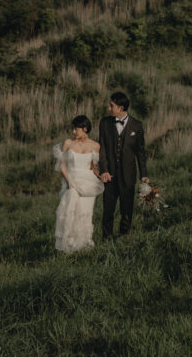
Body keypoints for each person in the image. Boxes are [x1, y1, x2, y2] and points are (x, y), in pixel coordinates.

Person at [98, 91, 148, 240]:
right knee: (108, 209)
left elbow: (140, 152)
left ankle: (124, 237)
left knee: (126, 209)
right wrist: (104, 170)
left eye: (111, 105)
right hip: (110, 175)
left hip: (128, 175)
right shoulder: (105, 123)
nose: (109, 108)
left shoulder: (137, 125)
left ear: (120, 108)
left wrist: (143, 174)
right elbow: (102, 149)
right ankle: (106, 238)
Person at [53, 115, 104, 253]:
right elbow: (62, 165)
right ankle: (68, 244)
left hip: (88, 182)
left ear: (85, 129)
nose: (73, 132)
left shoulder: (95, 145)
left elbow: (93, 166)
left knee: (85, 212)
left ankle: (84, 244)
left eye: (76, 129)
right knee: (70, 212)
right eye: (73, 129)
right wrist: (69, 182)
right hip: (72, 181)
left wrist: (101, 175)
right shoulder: (68, 143)